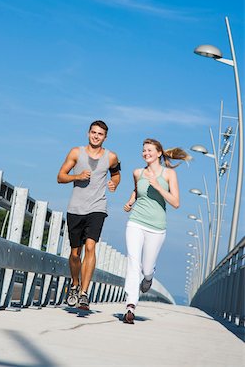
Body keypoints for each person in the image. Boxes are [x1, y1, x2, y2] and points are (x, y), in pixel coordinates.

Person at [122, 138, 191, 324]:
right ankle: (130, 305)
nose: (146, 153)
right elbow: (137, 190)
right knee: (133, 263)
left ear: (159, 153)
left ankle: (149, 277)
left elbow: (176, 203)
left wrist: (159, 186)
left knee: (145, 268)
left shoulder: (168, 174)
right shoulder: (137, 172)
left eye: (149, 150)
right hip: (136, 222)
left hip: (157, 227)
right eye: (143, 150)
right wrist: (130, 201)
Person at [57, 120, 121, 310]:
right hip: (75, 208)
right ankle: (74, 285)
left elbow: (116, 175)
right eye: (93, 132)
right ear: (88, 133)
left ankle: (84, 293)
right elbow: (60, 177)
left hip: (97, 207)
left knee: (91, 247)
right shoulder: (76, 152)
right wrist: (77, 177)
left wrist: (114, 184)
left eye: (100, 134)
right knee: (75, 254)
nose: (96, 136)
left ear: (105, 137)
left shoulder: (111, 157)